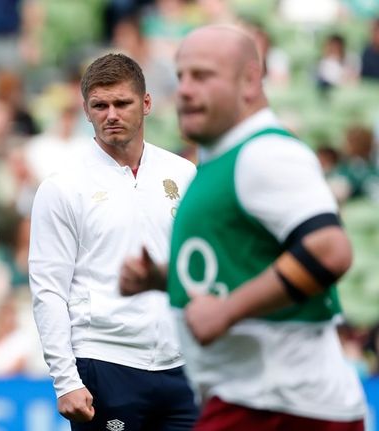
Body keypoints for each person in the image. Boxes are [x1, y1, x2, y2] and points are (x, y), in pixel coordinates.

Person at [120, 25, 367, 430]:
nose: (184, 89)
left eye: (202, 76)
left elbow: (329, 250)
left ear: (250, 80)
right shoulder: (226, 158)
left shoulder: (265, 153)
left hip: (281, 407)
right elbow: (237, 264)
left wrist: (228, 312)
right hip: (256, 401)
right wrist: (162, 278)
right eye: (181, 76)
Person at [29, 53, 197, 431]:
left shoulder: (183, 174)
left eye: (122, 103)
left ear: (147, 103)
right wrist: (66, 380)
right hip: (105, 361)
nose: (111, 114)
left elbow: (197, 270)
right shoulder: (62, 187)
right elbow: (48, 289)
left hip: (182, 365)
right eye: (100, 105)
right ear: (85, 110)